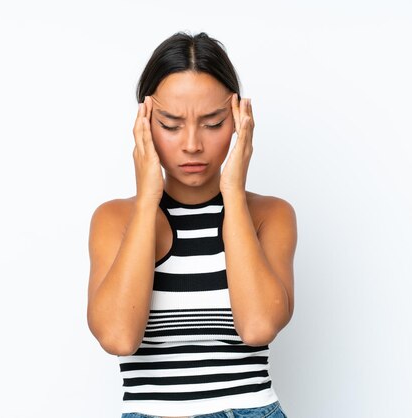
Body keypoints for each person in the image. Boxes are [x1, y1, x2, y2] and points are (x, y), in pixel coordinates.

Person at [86, 31, 297, 418]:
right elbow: (118, 337)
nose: (192, 144)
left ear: (239, 121)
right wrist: (148, 197)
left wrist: (233, 191)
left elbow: (258, 327)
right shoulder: (114, 220)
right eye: (170, 124)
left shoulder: (271, 215)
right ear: (144, 123)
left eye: (213, 123)